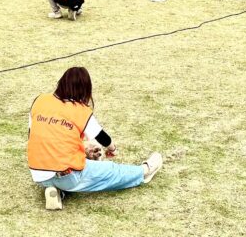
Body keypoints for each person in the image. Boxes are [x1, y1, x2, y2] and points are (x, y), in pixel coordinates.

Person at [28, 67, 163, 210]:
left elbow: (37, 136)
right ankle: (145, 171)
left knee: (66, 174)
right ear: (85, 89)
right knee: (111, 171)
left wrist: (83, 149)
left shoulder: (39, 101)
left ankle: (56, 191)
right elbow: (103, 138)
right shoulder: (80, 110)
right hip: (67, 175)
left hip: (39, 175)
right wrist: (113, 149)